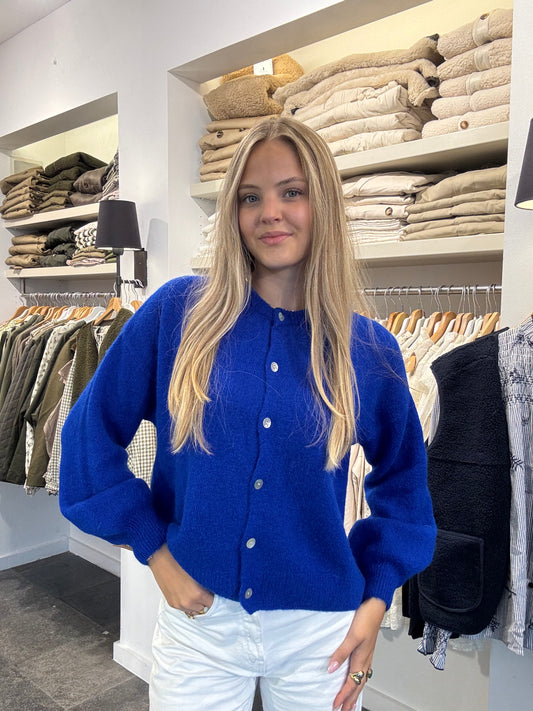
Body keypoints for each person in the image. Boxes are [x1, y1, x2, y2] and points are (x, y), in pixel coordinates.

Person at [59, 116, 436, 711]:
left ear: (322, 204)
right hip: (199, 625)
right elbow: (88, 435)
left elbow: (406, 489)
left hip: (320, 632)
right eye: (250, 197)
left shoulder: (366, 349)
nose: (270, 213)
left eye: (292, 192)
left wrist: (376, 599)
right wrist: (156, 553)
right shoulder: (178, 315)